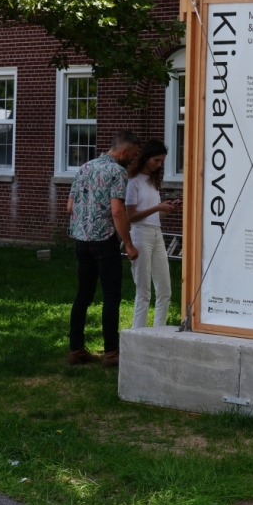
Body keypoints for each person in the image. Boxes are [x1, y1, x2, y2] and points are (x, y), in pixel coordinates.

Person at [65, 129, 141, 366]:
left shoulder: (85, 167)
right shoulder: (117, 172)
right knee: (111, 296)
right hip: (104, 240)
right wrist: (128, 244)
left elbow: (70, 207)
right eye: (134, 155)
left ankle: (76, 350)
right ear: (124, 151)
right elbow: (117, 211)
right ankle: (111, 353)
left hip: (81, 241)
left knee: (83, 296)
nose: (134, 160)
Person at [123, 139, 175, 329]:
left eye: (162, 162)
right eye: (156, 160)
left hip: (156, 233)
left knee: (165, 290)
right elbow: (131, 216)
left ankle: (159, 332)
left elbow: (155, 213)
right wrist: (157, 207)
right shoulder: (133, 182)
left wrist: (166, 209)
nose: (159, 165)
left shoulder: (153, 182)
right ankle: (139, 334)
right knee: (143, 290)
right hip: (140, 235)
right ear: (145, 158)